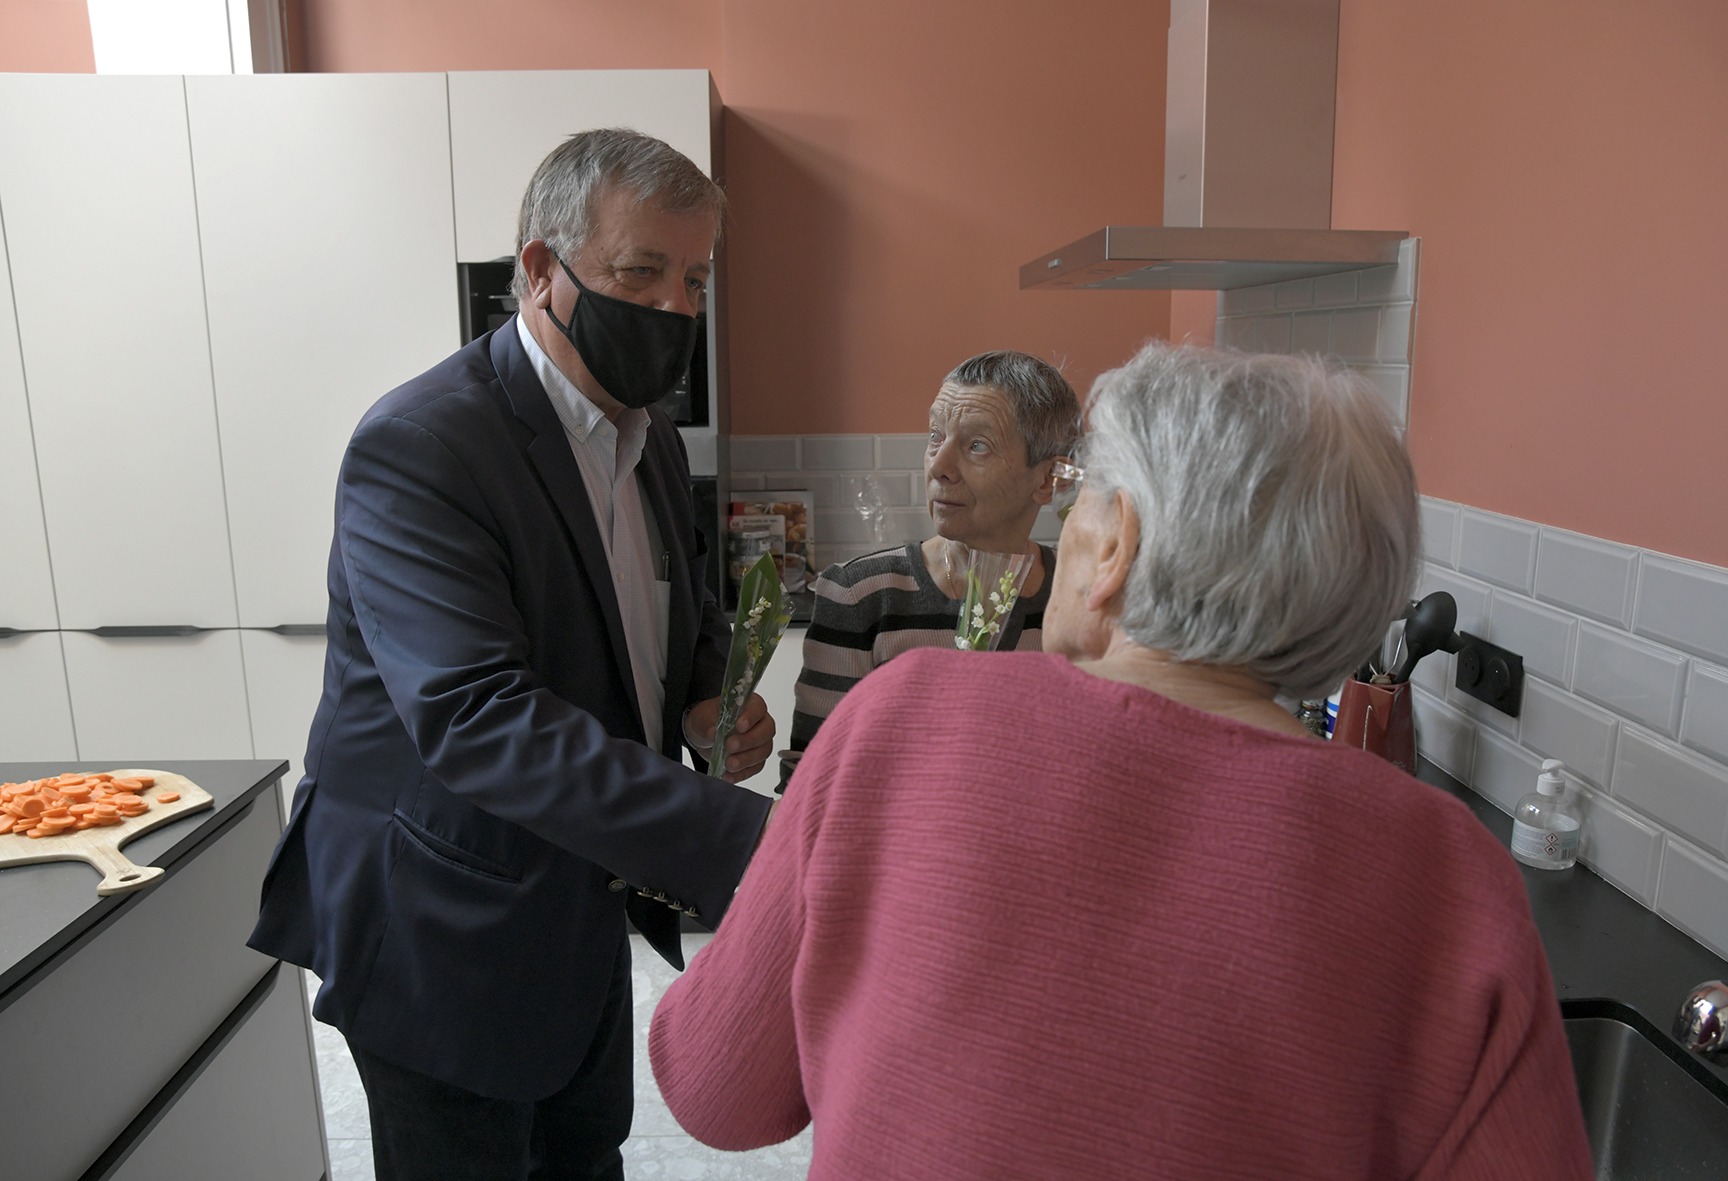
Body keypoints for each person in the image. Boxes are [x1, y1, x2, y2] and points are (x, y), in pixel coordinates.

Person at [649, 344, 1593, 1179]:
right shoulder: (1451, 871)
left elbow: (712, 1088)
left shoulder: (902, 718)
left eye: (1084, 494)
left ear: (1116, 546)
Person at [246, 129, 778, 1181]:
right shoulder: (422, 445)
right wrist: (759, 844)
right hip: (440, 917)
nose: (673, 308)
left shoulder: (651, 438)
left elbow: (672, 603)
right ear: (540, 270)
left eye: (694, 280)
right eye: (641, 271)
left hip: (580, 895)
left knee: (583, 1155)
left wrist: (705, 693)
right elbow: (476, 716)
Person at [778, 349, 1080, 789]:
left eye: (977, 445)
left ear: (1048, 480)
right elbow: (809, 786)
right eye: (936, 436)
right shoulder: (859, 594)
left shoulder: (1080, 599)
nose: (939, 466)